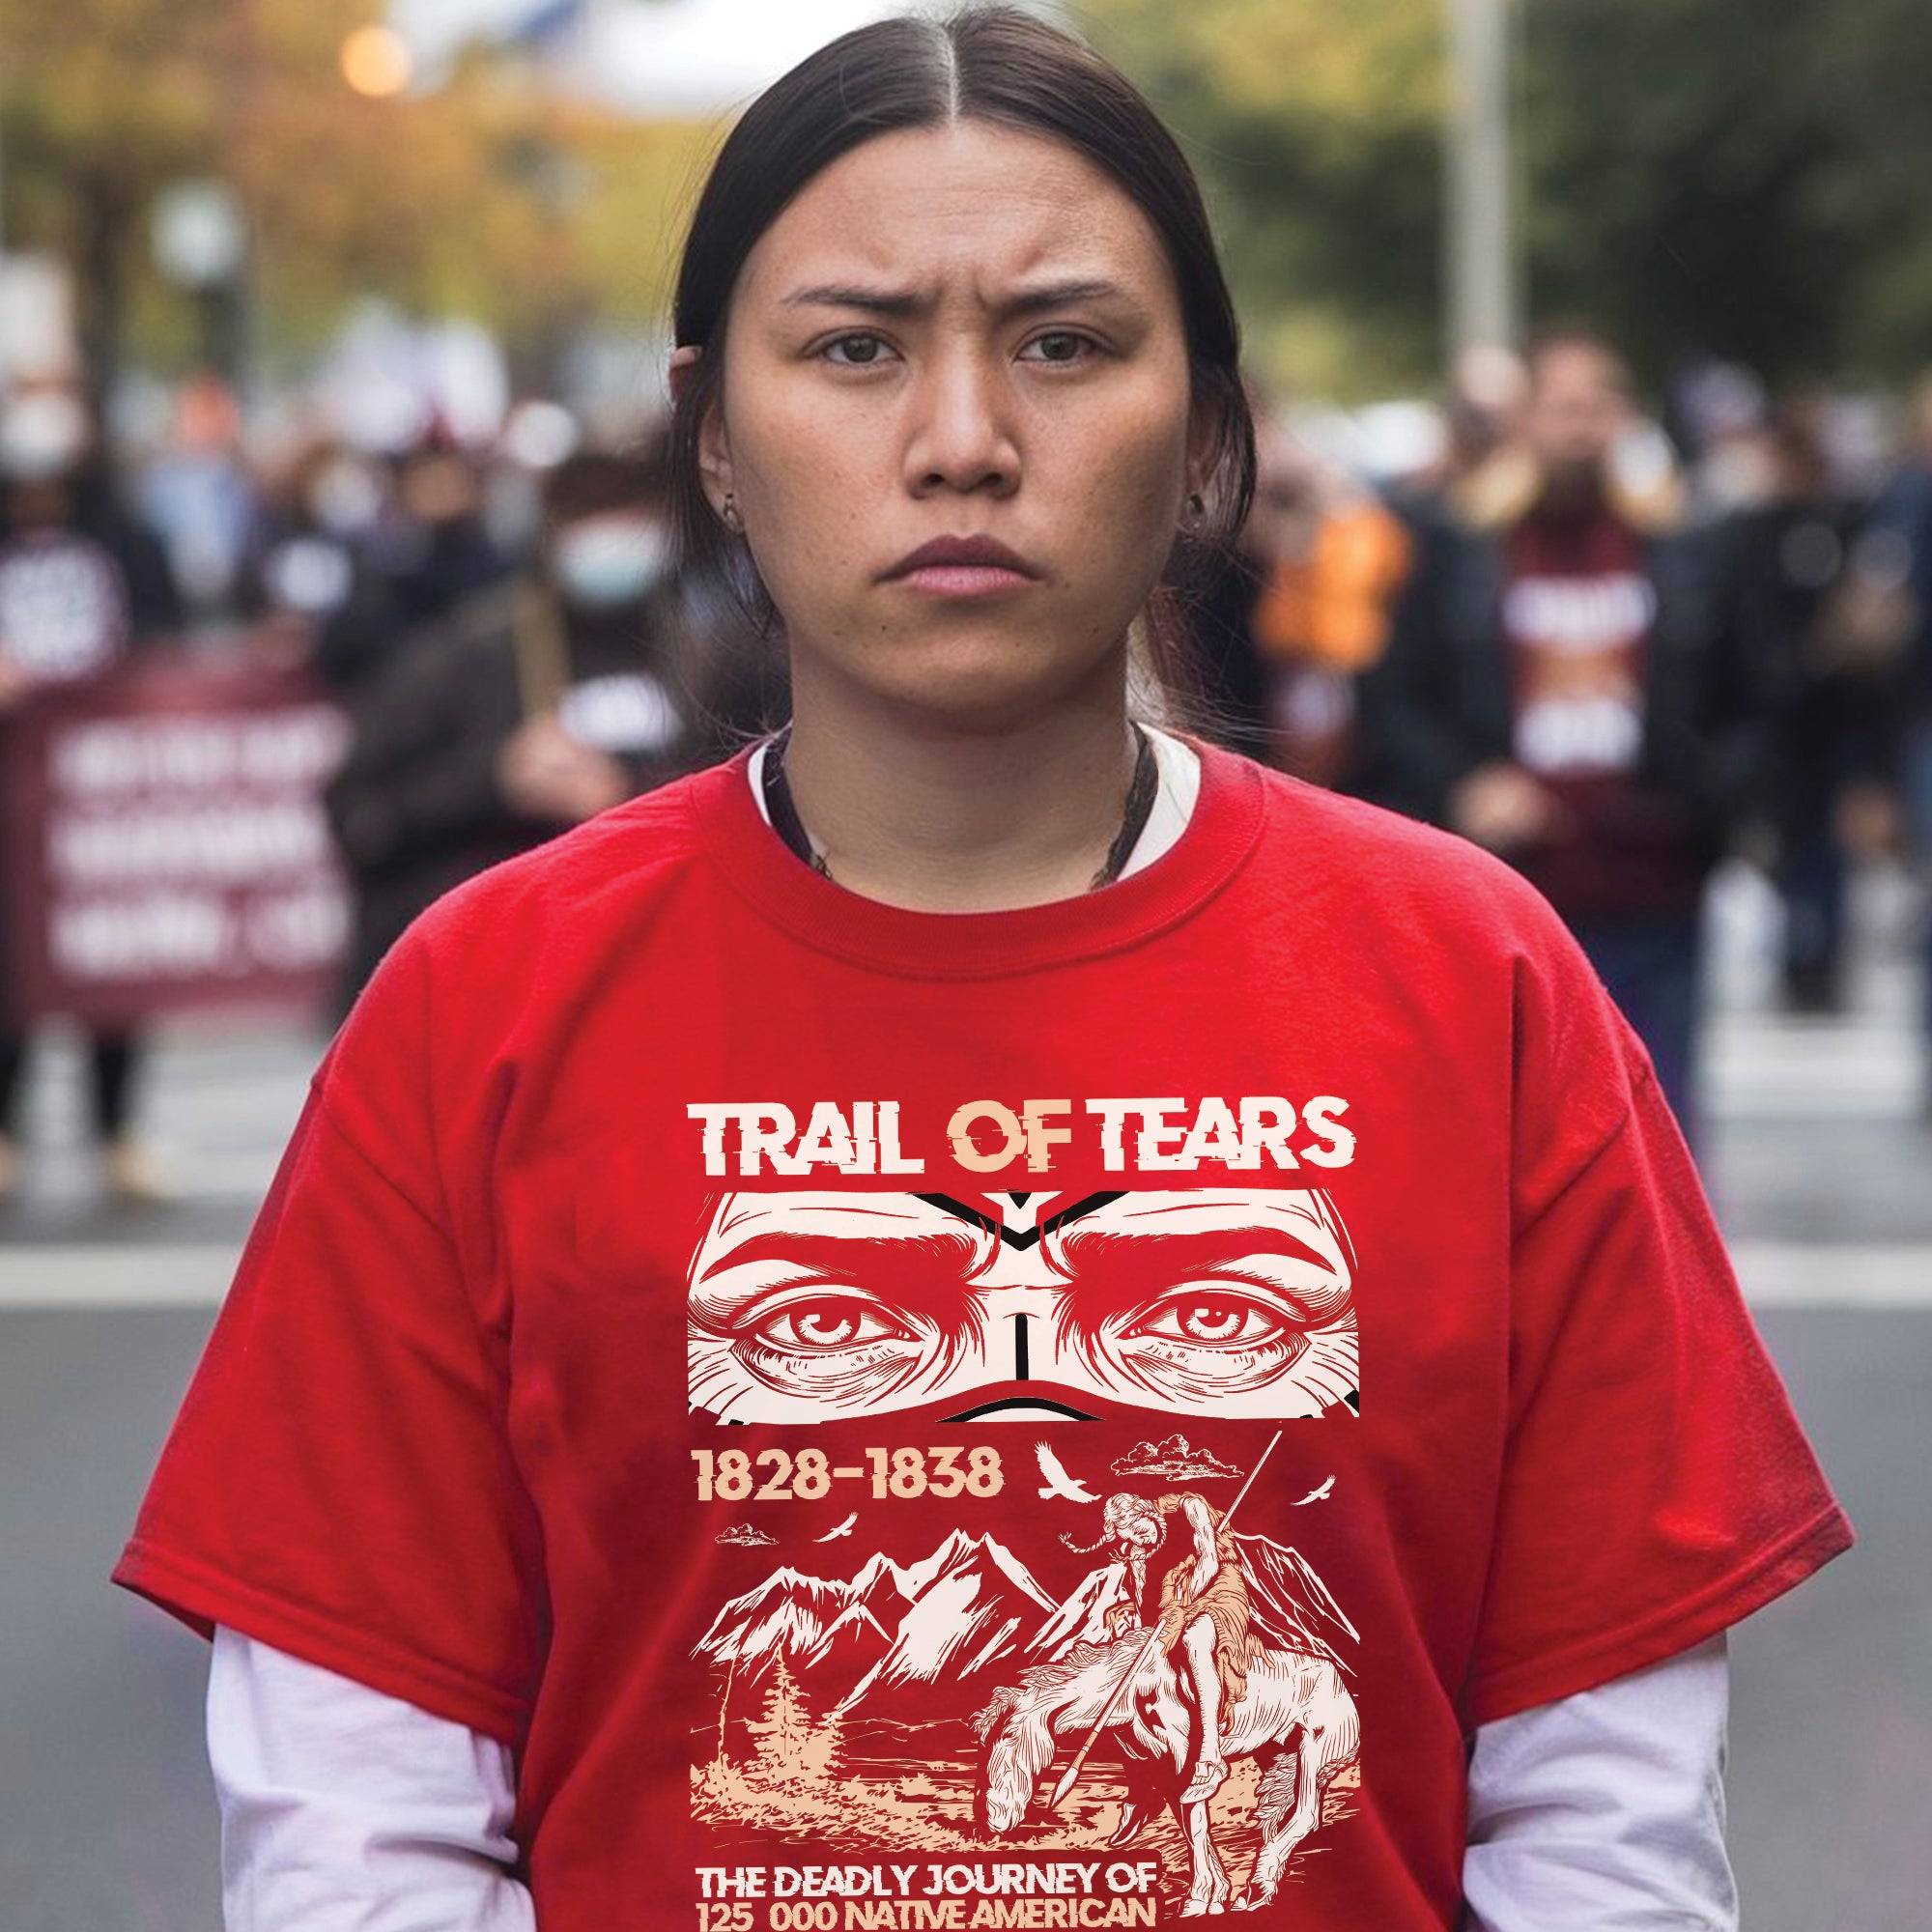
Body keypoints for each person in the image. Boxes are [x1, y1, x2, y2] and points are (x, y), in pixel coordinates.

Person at [116, 12, 1849, 1929]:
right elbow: (363, 1831)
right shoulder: (484, 1005)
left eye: (1065, 344)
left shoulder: (1476, 981)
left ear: (1205, 430)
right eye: (854, 349)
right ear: (710, 429)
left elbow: (1603, 1822)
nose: (961, 441)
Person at [1362, 332, 1765, 1144]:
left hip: (1656, 889)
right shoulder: (1460, 549)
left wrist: (1704, 800)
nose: (1579, 426)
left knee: (1659, 1131)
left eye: (1598, 405)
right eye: (1561, 406)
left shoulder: (1687, 549)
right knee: (1515, 1138)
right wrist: (1463, 784)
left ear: (1625, 418)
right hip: (1513, 898)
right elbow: (1392, 698)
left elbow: (1755, 695)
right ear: (1526, 421)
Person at [321, 438, 755, 1005]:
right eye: (590, 516)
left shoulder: (720, 652)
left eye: (628, 514)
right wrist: (496, 780)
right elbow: (361, 813)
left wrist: (629, 797)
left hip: (675, 967)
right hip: (501, 976)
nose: (611, 534)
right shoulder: (465, 655)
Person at [0, 383, 182, 1205]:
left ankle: (119, 1130)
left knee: (112, 959)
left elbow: (167, 642)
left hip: (104, 790)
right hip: (13, 789)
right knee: (12, 952)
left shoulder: (128, 537)